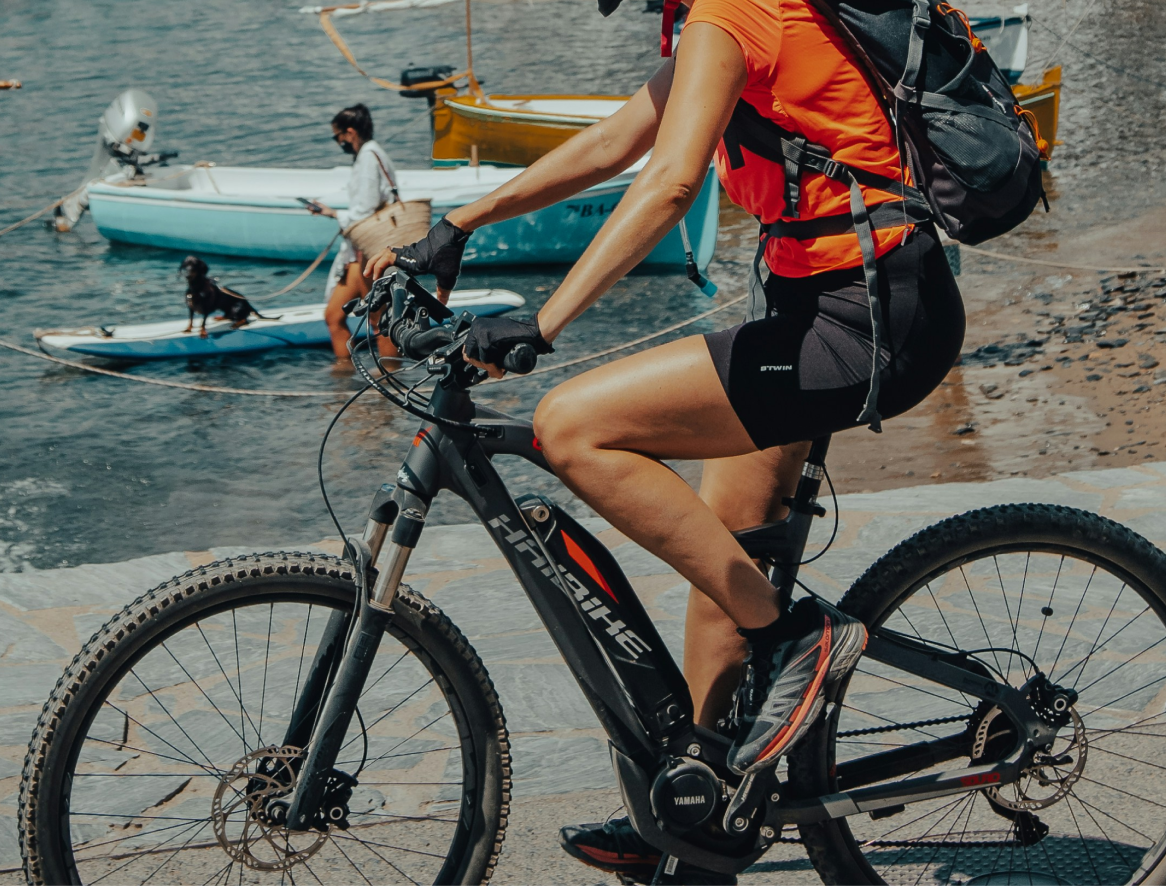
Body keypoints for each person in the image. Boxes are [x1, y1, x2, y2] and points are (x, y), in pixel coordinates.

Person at [367, 0, 966, 878]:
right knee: (720, 566)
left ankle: (799, 641)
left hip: (866, 317)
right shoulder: (719, 19)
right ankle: (701, 814)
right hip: (816, 303)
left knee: (572, 428)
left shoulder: (736, 8)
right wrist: (463, 224)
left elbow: (671, 182)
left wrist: (547, 318)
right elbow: (618, 142)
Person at [305, 103, 398, 362]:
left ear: (349, 132)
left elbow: (364, 211)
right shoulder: (368, 155)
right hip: (360, 252)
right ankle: (349, 378)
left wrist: (334, 214)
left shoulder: (369, 156)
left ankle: (382, 376)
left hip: (367, 252)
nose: (338, 143)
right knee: (344, 317)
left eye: (338, 137)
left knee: (374, 319)